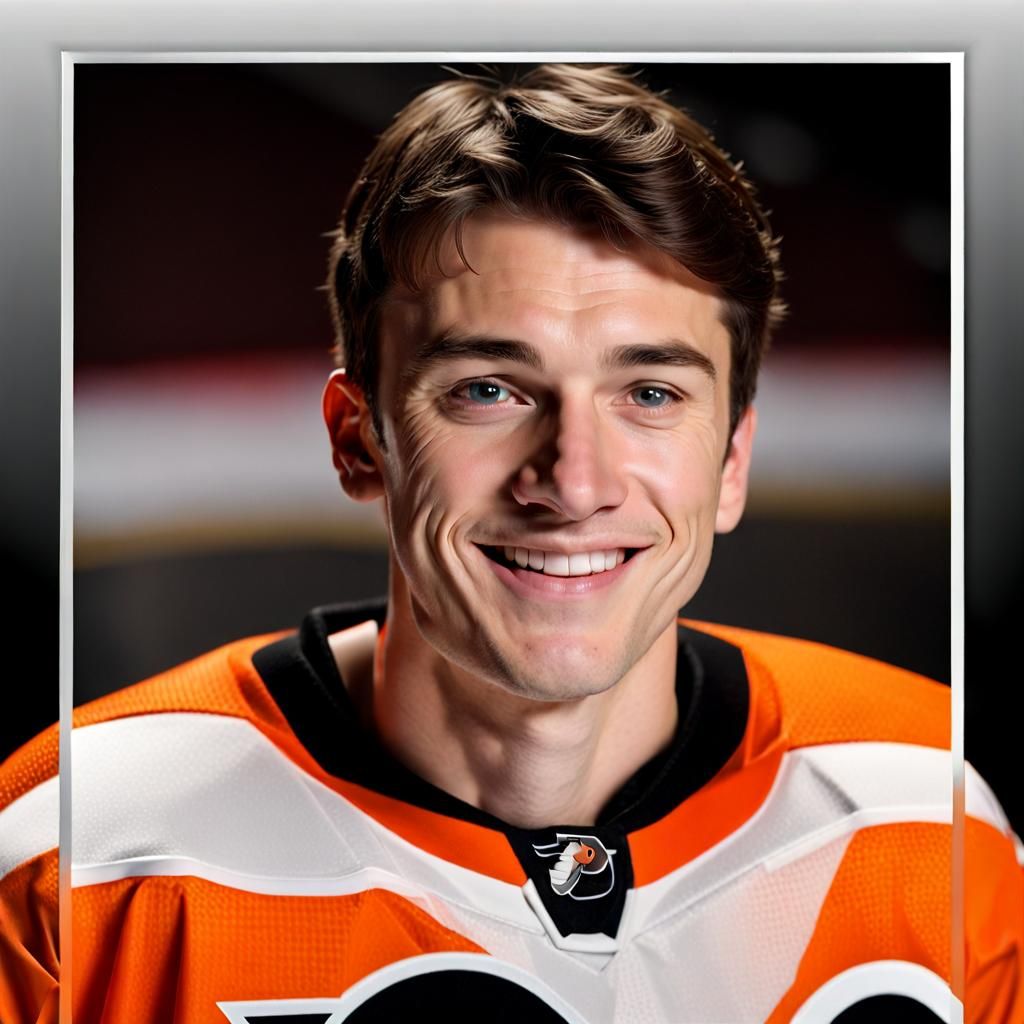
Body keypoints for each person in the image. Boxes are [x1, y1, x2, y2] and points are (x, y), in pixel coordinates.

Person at [1, 63, 1020, 1024]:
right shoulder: (75, 849)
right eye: (489, 388)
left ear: (732, 460)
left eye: (649, 392)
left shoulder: (924, 800)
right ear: (359, 439)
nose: (572, 479)